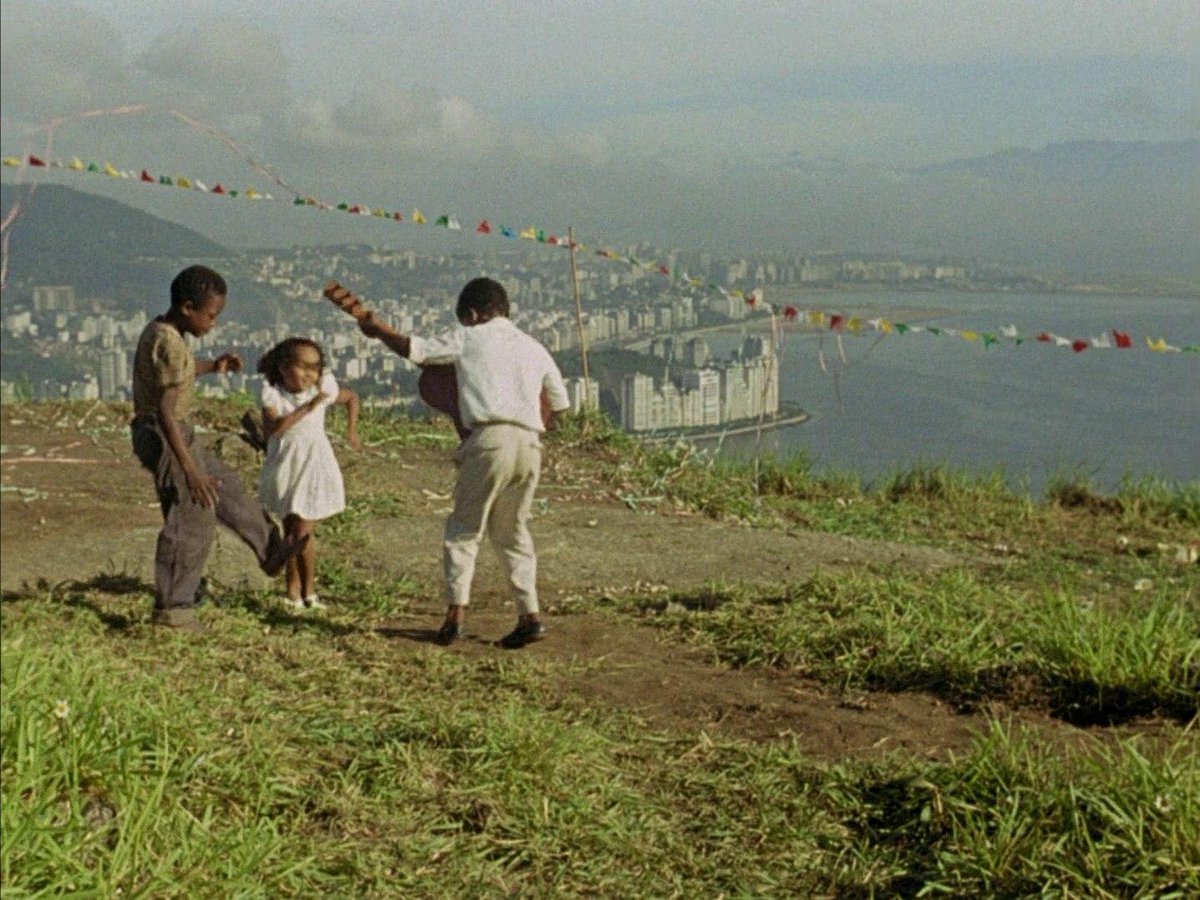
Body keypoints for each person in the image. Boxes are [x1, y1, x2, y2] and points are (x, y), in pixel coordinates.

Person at [357, 276, 570, 648]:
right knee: (513, 532)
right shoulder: (535, 347)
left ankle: (455, 616)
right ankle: (529, 615)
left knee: (464, 530)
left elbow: (416, 350)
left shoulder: (469, 336)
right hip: (530, 445)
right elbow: (559, 406)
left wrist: (379, 329)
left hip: (489, 440)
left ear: (471, 315)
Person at [130, 265, 307, 631]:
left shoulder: (164, 332)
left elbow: (177, 370)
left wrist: (214, 365)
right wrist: (191, 471)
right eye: (210, 316)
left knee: (226, 486)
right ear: (188, 307)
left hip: (176, 432)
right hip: (165, 434)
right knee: (194, 516)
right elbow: (164, 411)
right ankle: (174, 609)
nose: (213, 324)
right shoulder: (169, 340)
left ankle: (271, 549)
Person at [256, 337, 360, 610]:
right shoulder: (273, 393)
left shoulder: (322, 390)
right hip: (286, 465)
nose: (308, 374)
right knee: (291, 529)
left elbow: (350, 398)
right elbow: (272, 430)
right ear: (282, 367)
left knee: (303, 530)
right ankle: (293, 591)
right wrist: (307, 408)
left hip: (314, 466)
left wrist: (351, 432)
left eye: (313, 368)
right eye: (300, 367)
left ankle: (309, 591)